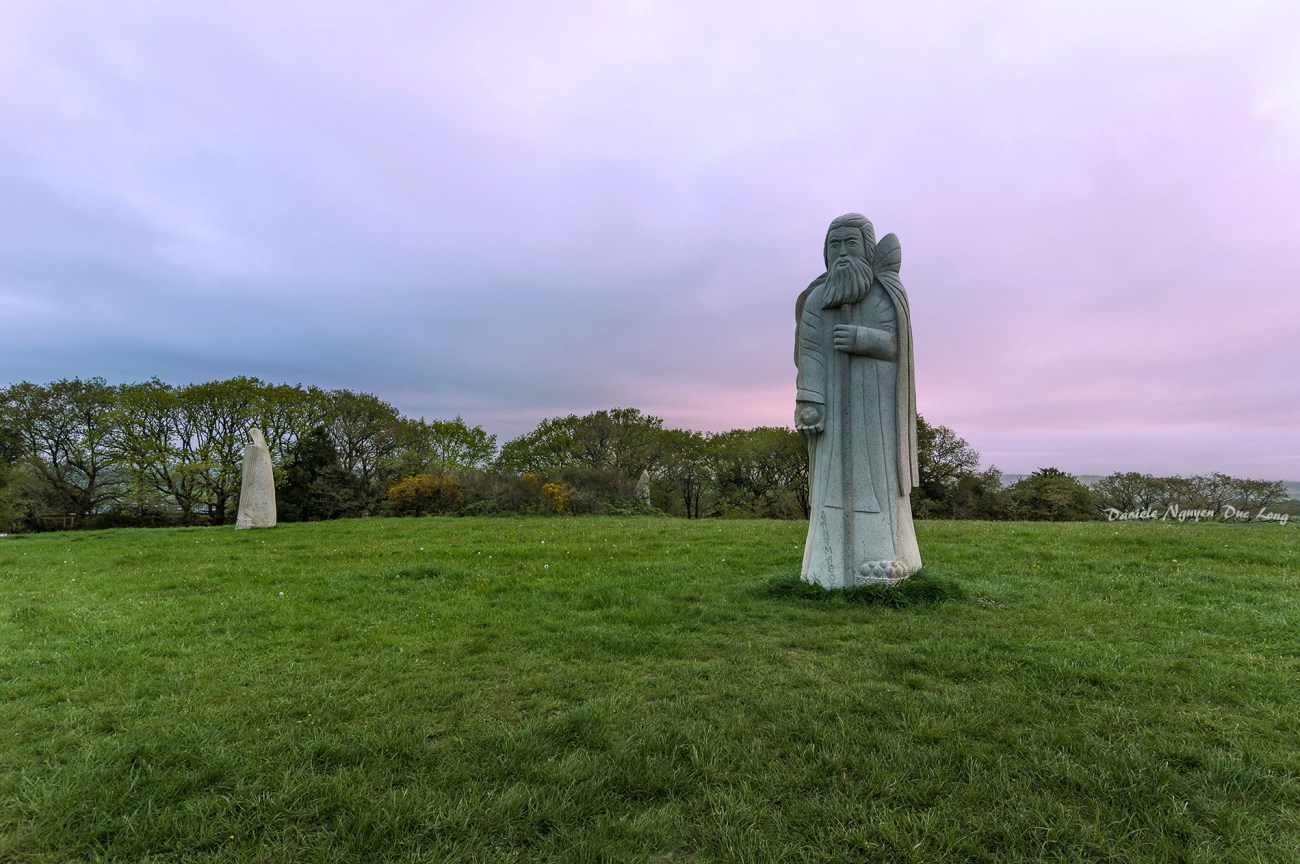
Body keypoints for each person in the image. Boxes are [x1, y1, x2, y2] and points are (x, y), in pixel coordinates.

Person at [794, 213, 921, 586]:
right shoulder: (818, 299)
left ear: (867, 250)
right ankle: (827, 568)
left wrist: (863, 340)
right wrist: (810, 401)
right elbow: (811, 352)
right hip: (834, 412)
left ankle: (884, 557)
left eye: (852, 244)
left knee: (875, 481)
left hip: (873, 412)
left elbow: (898, 347)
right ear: (826, 253)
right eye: (835, 246)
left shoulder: (883, 296)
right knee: (831, 483)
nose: (843, 254)